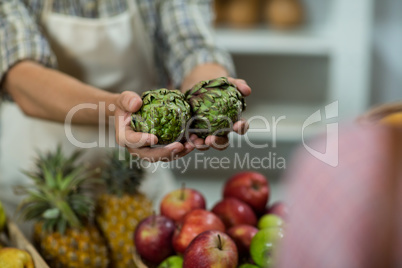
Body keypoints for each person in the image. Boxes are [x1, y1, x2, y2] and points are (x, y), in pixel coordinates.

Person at [0, 0, 251, 232]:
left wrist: (205, 94)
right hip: (36, 184)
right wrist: (115, 109)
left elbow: (195, 47)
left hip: (139, 185)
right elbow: (20, 74)